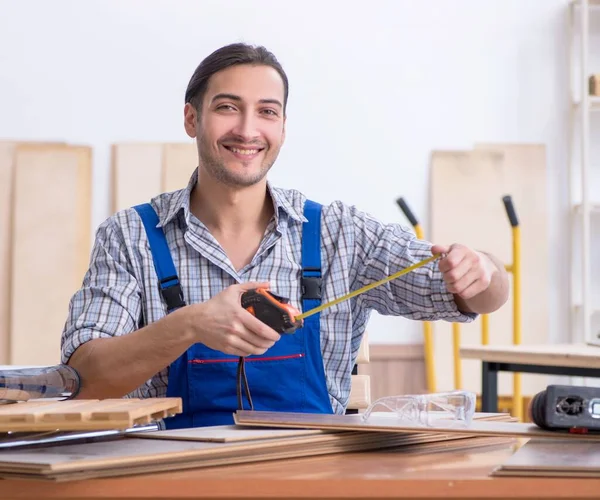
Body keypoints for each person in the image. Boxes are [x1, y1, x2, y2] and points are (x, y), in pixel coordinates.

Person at [61, 43, 510, 429]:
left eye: (267, 112)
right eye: (227, 107)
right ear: (191, 119)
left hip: (308, 476)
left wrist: (482, 270)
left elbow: (479, 297)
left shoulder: (339, 234)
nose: (247, 129)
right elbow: (83, 379)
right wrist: (190, 324)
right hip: (172, 477)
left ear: (283, 127)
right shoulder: (131, 237)